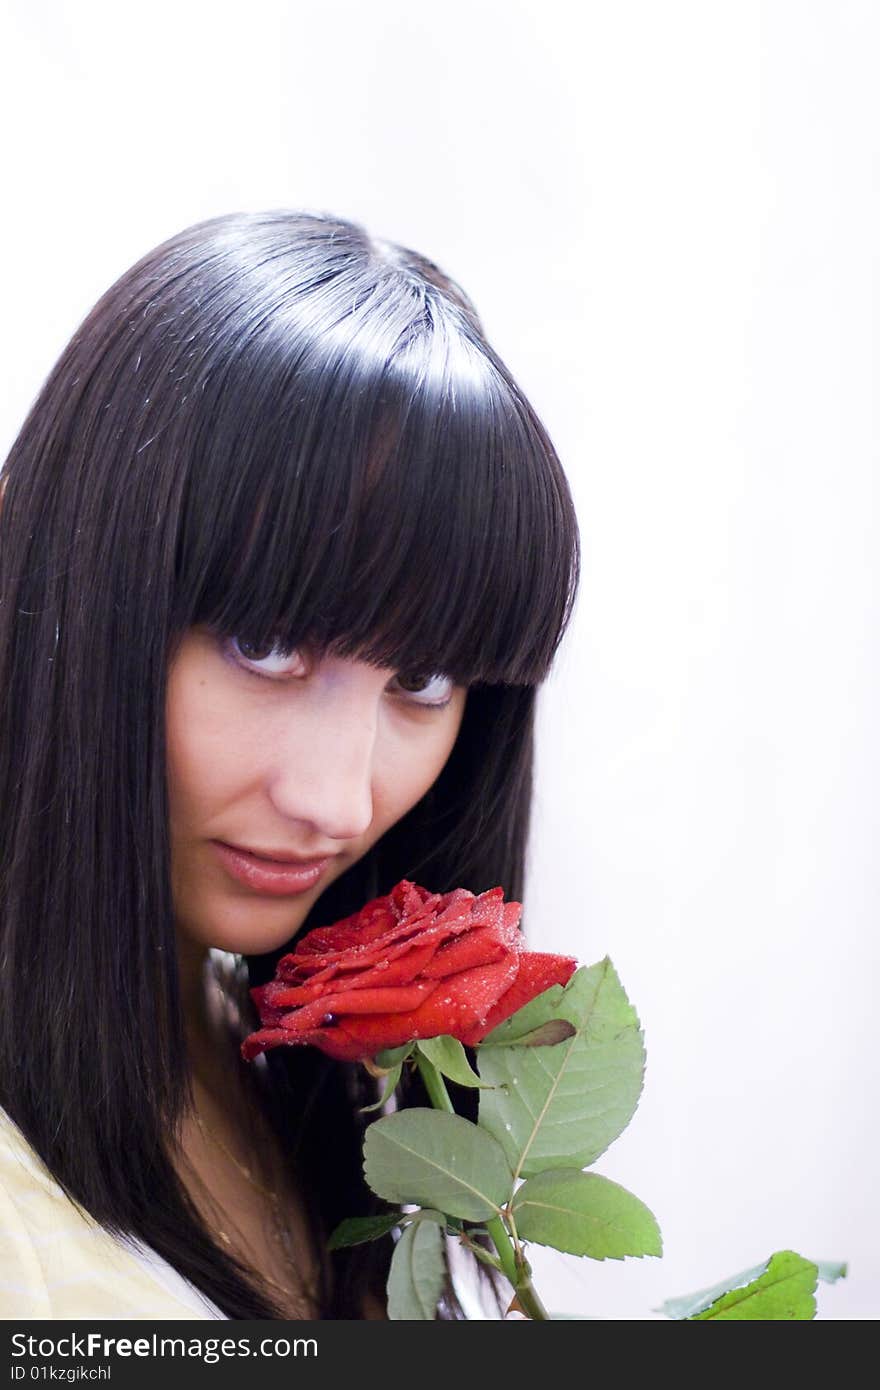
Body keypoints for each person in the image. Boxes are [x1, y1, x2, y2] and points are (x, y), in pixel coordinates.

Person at [0, 210, 581, 1320]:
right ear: (65, 587)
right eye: (264, 647)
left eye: (421, 681)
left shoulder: (299, 1076)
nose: (335, 800)